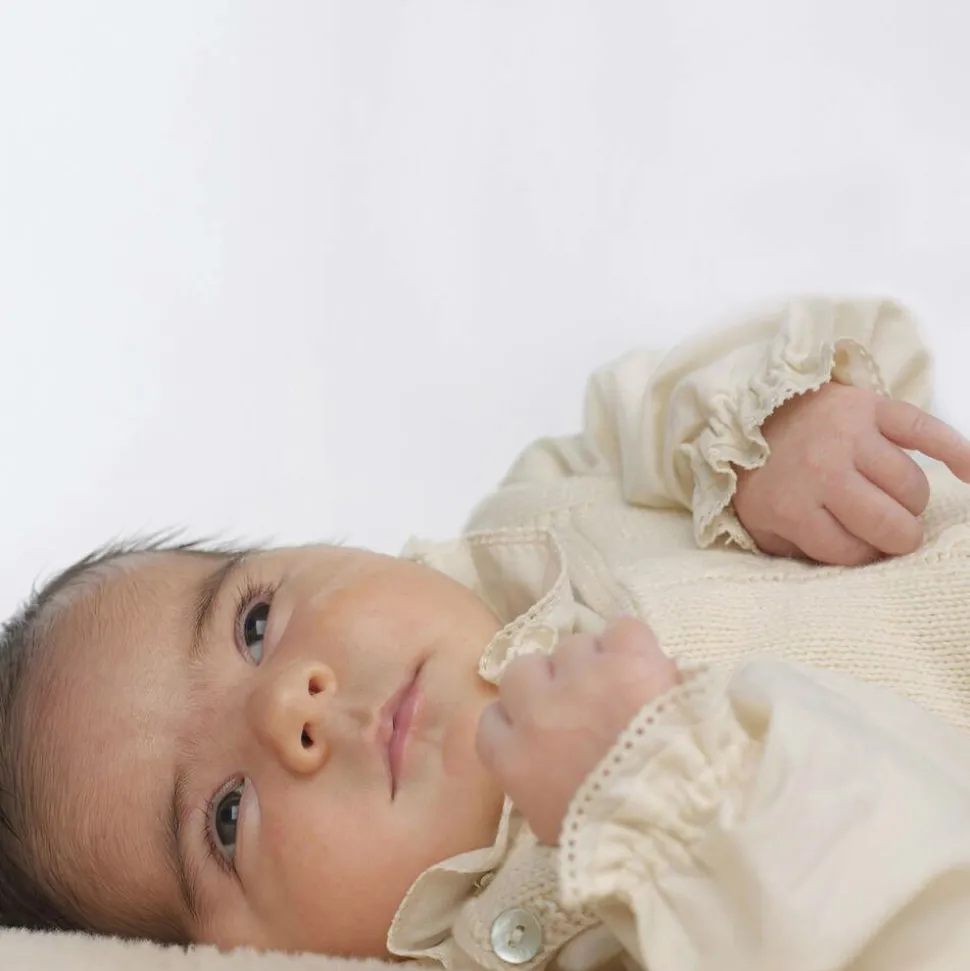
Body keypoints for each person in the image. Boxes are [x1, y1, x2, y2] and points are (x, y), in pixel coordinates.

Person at [3, 296, 970, 971]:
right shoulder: (585, 932)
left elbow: (654, 408)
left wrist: (777, 432)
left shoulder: (533, 513)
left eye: (254, 624)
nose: (290, 706)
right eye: (225, 816)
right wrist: (648, 796)